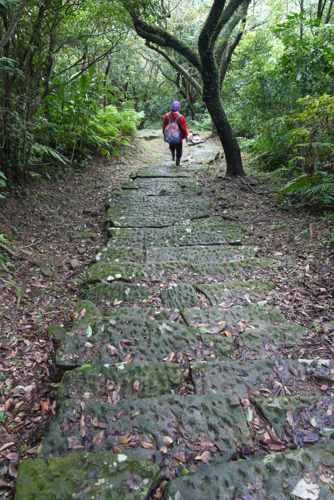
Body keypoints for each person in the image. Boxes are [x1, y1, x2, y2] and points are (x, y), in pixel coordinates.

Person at [162, 101, 191, 167]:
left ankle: (173, 154)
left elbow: (164, 126)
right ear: (179, 108)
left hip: (170, 136)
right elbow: (183, 128)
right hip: (178, 137)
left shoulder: (166, 116)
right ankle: (177, 162)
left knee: (171, 146)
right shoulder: (181, 117)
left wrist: (164, 134)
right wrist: (186, 136)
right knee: (179, 149)